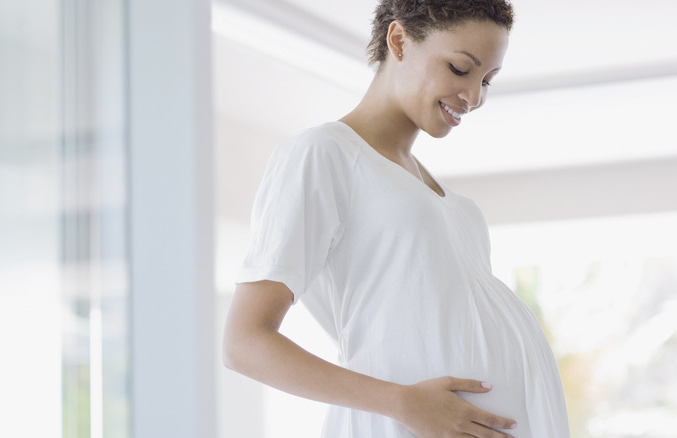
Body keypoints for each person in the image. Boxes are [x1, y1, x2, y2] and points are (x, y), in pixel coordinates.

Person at [223, 0, 571, 436]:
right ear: (399, 40)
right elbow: (243, 343)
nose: (475, 97)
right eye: (460, 69)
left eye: (487, 80)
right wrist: (403, 403)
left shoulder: (430, 185)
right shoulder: (325, 153)